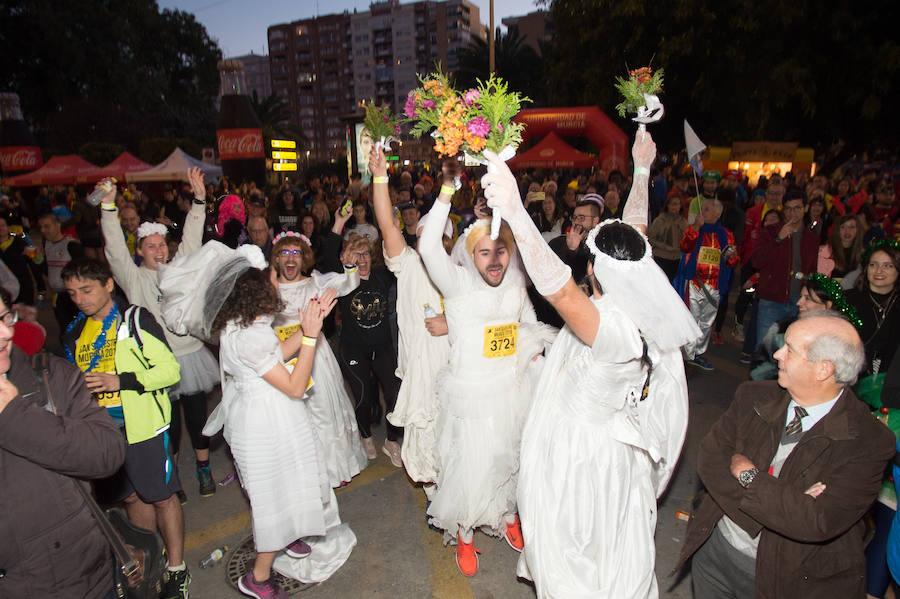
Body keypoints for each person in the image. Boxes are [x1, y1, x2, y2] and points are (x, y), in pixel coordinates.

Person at [482, 132, 696, 597]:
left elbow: (558, 290)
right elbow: (633, 234)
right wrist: (642, 170)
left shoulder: (616, 330)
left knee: (579, 549)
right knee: (606, 546)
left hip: (586, 457)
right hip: (612, 446)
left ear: (596, 270)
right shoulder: (636, 302)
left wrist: (518, 213)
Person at [158, 242, 356, 598]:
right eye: (269, 278)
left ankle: (292, 535)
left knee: (294, 482)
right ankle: (258, 578)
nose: (275, 280)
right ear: (253, 292)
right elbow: (295, 386)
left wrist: (312, 322)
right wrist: (310, 335)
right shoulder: (246, 335)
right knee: (273, 499)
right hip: (264, 422)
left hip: (273, 413)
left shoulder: (245, 324)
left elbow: (277, 353)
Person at [676, 310, 895, 598]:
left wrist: (749, 475)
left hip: (792, 580)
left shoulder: (869, 441)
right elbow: (710, 459)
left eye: (789, 349)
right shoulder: (753, 395)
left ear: (823, 369)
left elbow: (817, 521)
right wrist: (784, 504)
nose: (777, 354)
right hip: (716, 559)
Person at [418, 165, 556, 577]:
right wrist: (446, 190)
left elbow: (529, 327)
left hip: (512, 390)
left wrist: (539, 364)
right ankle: (464, 535)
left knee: (512, 457)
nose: (495, 260)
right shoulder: (457, 285)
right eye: (485, 252)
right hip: (470, 394)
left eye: (501, 251)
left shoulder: (515, 282)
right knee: (468, 466)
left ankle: (509, 516)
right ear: (470, 254)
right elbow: (427, 248)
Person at [60, 258, 190, 598]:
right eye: (73, 294)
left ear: (108, 285)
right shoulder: (74, 332)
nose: (80, 300)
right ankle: (149, 563)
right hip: (102, 431)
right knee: (131, 496)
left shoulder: (135, 320)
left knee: (161, 497)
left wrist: (121, 380)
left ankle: (177, 570)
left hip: (144, 426)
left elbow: (169, 371)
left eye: (86, 290)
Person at [97, 172, 221, 499]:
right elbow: (113, 251)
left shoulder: (177, 268)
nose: (159, 250)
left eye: (162, 244)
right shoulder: (133, 278)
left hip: (190, 356)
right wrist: (108, 209)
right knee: (169, 424)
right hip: (154, 364)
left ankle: (204, 468)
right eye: (151, 246)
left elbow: (192, 240)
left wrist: (198, 201)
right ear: (140, 251)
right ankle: (173, 479)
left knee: (197, 419)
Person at [0, 286, 126, 599]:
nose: (5, 332)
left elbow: (107, 453)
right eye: (72, 293)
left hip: (82, 581)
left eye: (5, 317)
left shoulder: (48, 376)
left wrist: (15, 416)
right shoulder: (74, 332)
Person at [369, 147, 451, 488]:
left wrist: (452, 323)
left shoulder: (462, 269)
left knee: (454, 434)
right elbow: (387, 223)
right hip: (421, 369)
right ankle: (435, 500)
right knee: (423, 434)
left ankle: (453, 494)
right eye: (422, 236)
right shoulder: (409, 265)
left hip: (456, 367)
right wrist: (379, 177)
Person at [270, 229, 368, 488]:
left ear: (304, 259)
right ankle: (301, 474)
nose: (291, 259)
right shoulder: (267, 289)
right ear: (276, 259)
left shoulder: (315, 282)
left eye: (296, 253)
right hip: (280, 359)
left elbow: (348, 284)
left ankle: (331, 471)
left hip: (315, 356)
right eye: (284, 253)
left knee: (323, 412)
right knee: (291, 417)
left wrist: (348, 266)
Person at [845, 239, 900, 599]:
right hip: (853, 392)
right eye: (874, 265)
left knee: (885, 493)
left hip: (891, 403)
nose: (879, 271)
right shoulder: (852, 300)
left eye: (888, 265)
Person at [336, 233, 404, 464]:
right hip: (354, 349)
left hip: (382, 345)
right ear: (349, 258)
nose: (362, 259)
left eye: (365, 253)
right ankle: (365, 436)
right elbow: (330, 262)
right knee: (364, 396)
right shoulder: (345, 282)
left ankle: (392, 441)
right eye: (357, 254)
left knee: (395, 393)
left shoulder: (382, 277)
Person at [749, 273, 859, 380]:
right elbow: (759, 370)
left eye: (807, 299)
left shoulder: (839, 338)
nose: (799, 303)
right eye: (800, 297)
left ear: (827, 305)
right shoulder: (782, 328)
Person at [675, 197, 737, 371]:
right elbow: (685, 246)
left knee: (706, 323)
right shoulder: (695, 229)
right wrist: (695, 227)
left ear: (718, 213)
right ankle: (686, 355)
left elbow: (731, 262)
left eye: (707, 209)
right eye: (702, 209)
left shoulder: (726, 234)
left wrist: (732, 256)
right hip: (695, 283)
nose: (702, 212)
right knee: (690, 320)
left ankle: (697, 353)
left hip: (715, 286)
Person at [751, 193, 819, 344]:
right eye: (788, 209)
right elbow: (756, 261)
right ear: (783, 209)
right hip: (771, 300)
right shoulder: (770, 232)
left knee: (794, 350)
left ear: (806, 208)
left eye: (797, 208)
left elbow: (812, 270)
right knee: (765, 351)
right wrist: (778, 239)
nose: (792, 213)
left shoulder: (811, 237)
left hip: (799, 302)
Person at [37, 211, 83, 333]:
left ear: (58, 225)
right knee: (64, 329)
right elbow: (47, 268)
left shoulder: (70, 245)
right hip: (56, 295)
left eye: (47, 226)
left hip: (72, 296)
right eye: (41, 227)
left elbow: (84, 271)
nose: (43, 230)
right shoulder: (47, 244)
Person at [648, 194, 688, 282]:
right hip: (661, 257)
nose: (674, 206)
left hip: (678, 259)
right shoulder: (659, 220)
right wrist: (664, 246)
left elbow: (686, 241)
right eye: (672, 204)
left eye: (677, 204)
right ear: (667, 205)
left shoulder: (684, 222)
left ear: (680, 206)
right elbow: (650, 238)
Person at [817, 213, 863, 286]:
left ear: (857, 230)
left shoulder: (862, 254)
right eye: (843, 227)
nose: (847, 231)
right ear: (837, 230)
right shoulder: (824, 252)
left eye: (851, 227)